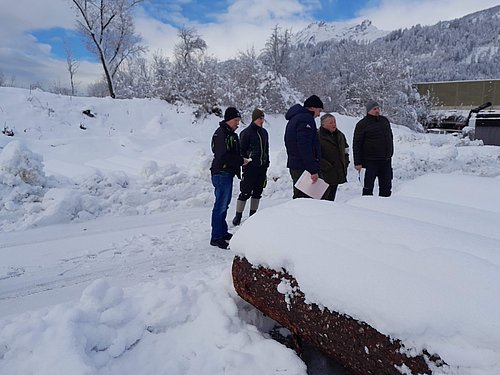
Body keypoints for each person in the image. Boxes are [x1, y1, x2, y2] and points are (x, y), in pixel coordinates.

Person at [209, 107, 248, 249]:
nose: (238, 123)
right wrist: (240, 161)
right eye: (235, 120)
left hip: (227, 173)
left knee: (224, 205)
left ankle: (222, 232)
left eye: (238, 120)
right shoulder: (221, 134)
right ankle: (216, 237)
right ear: (228, 120)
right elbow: (222, 155)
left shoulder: (230, 134)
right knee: (220, 205)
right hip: (221, 173)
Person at [232, 108, 270, 226]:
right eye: (260, 118)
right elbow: (241, 150)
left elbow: (266, 149)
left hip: (262, 167)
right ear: (254, 118)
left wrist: (266, 162)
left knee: (258, 192)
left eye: (263, 118)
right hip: (250, 167)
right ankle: (238, 216)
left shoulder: (264, 133)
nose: (262, 120)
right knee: (245, 192)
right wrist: (245, 161)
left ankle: (253, 215)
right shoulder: (246, 133)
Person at [284, 95, 323, 199]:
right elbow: (304, 146)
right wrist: (312, 169)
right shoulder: (306, 119)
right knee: (305, 200)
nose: (319, 115)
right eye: (319, 110)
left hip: (296, 164)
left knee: (300, 197)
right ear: (313, 108)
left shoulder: (295, 118)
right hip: (303, 167)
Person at [352, 100, 394, 197]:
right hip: (370, 161)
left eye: (378, 108)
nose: (377, 111)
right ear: (368, 111)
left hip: (386, 160)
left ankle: (385, 206)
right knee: (368, 187)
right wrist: (357, 162)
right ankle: (367, 206)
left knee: (386, 187)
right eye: (374, 109)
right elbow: (357, 143)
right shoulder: (362, 124)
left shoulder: (384, 121)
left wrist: (390, 152)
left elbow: (390, 137)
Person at [318, 113, 349, 201]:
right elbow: (315, 154)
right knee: (323, 199)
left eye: (334, 122)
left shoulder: (340, 135)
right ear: (323, 124)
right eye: (331, 122)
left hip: (337, 172)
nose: (334, 124)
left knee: (332, 198)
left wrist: (346, 162)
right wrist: (325, 165)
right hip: (324, 173)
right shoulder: (317, 136)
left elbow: (346, 150)